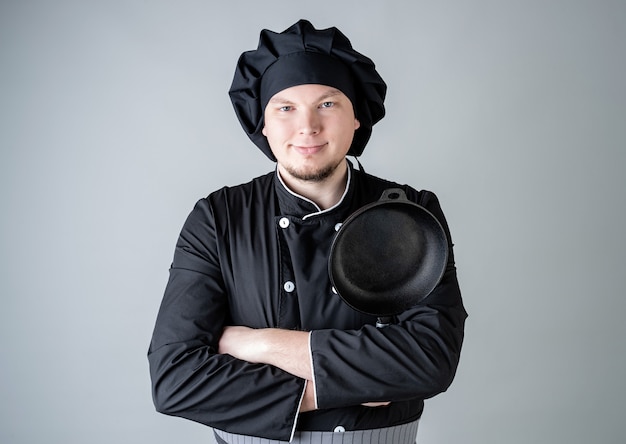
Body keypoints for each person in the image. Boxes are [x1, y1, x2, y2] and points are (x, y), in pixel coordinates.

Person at [148, 19, 467, 444]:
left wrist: (261, 345)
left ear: (357, 118)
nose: (308, 127)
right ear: (262, 123)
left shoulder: (412, 213)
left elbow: (431, 358)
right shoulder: (217, 218)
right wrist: (351, 382)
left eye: (328, 104)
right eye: (285, 107)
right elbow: (174, 379)